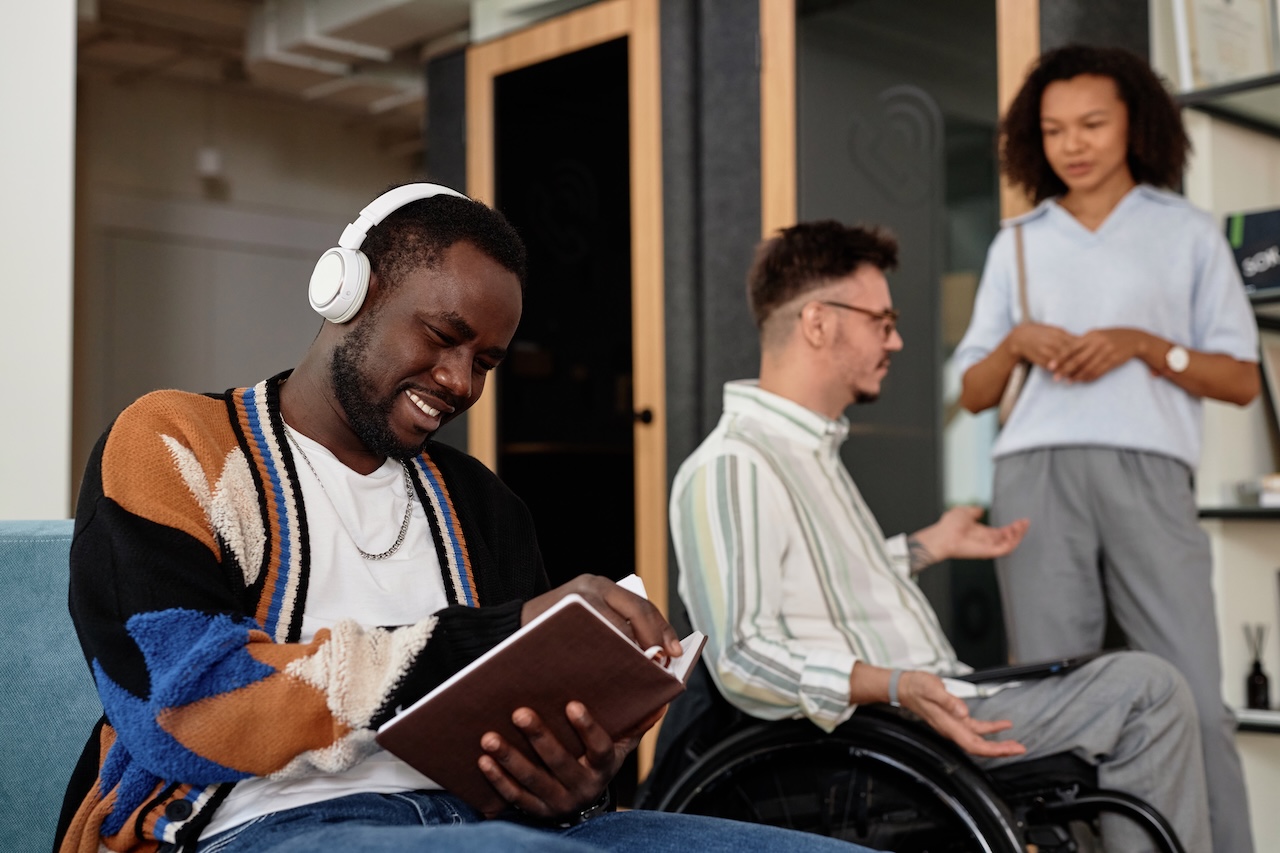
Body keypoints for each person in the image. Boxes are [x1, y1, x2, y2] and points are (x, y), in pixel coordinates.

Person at [59, 183, 873, 853]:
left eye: (485, 360)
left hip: (491, 823)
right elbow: (183, 703)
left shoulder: (483, 505)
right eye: (444, 337)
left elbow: (531, 746)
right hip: (263, 825)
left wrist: (575, 777)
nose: (460, 381)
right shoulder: (173, 442)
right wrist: (481, 636)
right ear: (350, 291)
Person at [669, 219, 1213, 852]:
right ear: (818, 322)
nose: (895, 340)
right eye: (881, 320)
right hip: (886, 735)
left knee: (1134, 687)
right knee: (1149, 691)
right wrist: (895, 685)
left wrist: (931, 545)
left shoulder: (806, 453)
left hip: (929, 705)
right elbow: (741, 658)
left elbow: (826, 584)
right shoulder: (736, 465)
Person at [954, 45, 1259, 853]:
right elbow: (973, 391)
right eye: (1053, 129)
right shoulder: (1019, 241)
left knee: (1195, 694)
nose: (1073, 144)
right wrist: (1017, 340)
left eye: (1092, 123)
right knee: (1055, 695)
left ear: (1137, 123)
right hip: (1035, 472)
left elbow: (1241, 379)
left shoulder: (1186, 233)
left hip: (1148, 470)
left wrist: (1143, 346)